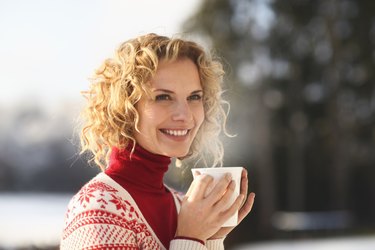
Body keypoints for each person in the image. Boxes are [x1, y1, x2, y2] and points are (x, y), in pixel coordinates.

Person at [60, 33, 255, 250]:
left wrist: (210, 239)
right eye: (163, 97)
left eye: (194, 97)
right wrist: (190, 238)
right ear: (126, 108)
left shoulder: (185, 206)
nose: (185, 115)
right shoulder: (97, 208)